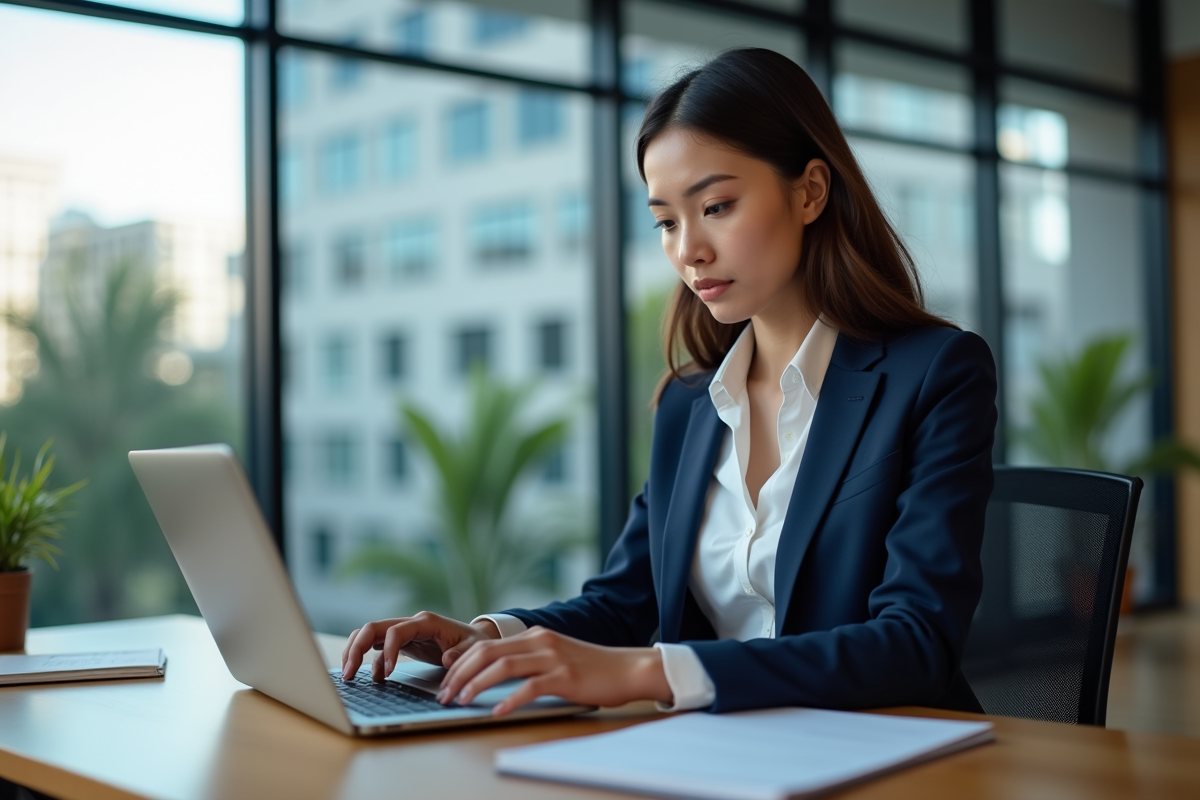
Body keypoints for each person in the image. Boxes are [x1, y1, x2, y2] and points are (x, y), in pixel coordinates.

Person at [341, 47, 997, 717]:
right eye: (665, 220)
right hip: (721, 756)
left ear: (809, 192)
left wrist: (651, 673)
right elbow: (624, 603)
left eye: (715, 206)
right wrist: (485, 637)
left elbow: (916, 644)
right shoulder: (689, 404)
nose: (688, 250)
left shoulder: (936, 373)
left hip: (896, 754)